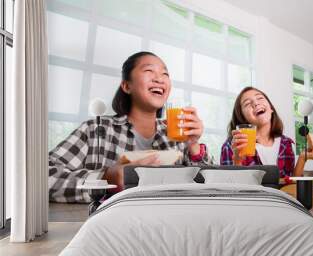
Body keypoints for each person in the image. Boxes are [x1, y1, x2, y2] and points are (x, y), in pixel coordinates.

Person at [49, 51, 212, 203]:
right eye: (149, 71)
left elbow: (210, 187)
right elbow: (41, 177)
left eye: (165, 74)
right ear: (127, 86)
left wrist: (194, 147)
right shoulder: (96, 130)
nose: (160, 79)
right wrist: (105, 178)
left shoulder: (177, 139)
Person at [220, 86, 313, 178]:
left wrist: (303, 158)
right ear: (241, 117)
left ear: (271, 108)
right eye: (247, 103)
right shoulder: (232, 146)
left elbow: (290, 186)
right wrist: (237, 161)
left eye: (260, 98)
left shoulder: (286, 144)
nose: (255, 103)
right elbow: (233, 191)